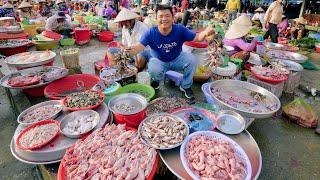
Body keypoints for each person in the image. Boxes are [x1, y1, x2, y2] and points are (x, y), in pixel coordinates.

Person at [127, 5, 215, 99]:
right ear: (156, 19)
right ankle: (156, 80)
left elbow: (197, 38)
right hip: (159, 60)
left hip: (177, 58)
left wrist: (206, 33)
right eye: (160, 16)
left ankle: (186, 86)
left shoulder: (180, 30)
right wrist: (126, 51)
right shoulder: (150, 33)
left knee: (192, 60)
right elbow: (138, 47)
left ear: (173, 18)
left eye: (167, 16)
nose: (164, 19)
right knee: (153, 67)